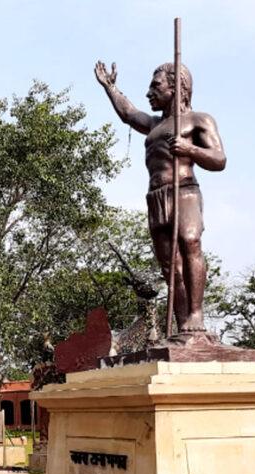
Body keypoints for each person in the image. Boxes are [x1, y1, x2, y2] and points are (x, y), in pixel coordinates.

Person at [94, 60, 226, 337]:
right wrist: (110, 87)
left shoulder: (198, 120)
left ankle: (196, 315)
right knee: (169, 264)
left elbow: (219, 159)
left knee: (190, 243)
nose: (148, 93)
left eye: (155, 86)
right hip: (156, 197)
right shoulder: (154, 125)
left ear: (177, 87)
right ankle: (181, 325)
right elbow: (129, 114)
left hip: (184, 191)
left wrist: (190, 148)